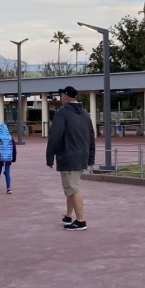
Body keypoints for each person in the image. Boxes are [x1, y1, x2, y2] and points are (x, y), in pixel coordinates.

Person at [46, 86, 96, 231]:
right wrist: (90, 158)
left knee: (73, 188)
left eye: (61, 95)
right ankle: (68, 216)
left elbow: (55, 136)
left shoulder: (62, 114)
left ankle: (81, 221)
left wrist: (50, 157)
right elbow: (91, 137)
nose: (60, 98)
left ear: (66, 97)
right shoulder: (85, 114)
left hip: (68, 157)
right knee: (70, 187)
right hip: (81, 157)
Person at [0, 121, 16, 193]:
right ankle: (8, 188)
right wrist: (13, 158)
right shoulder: (10, 138)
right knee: (7, 172)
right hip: (8, 157)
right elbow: (14, 148)